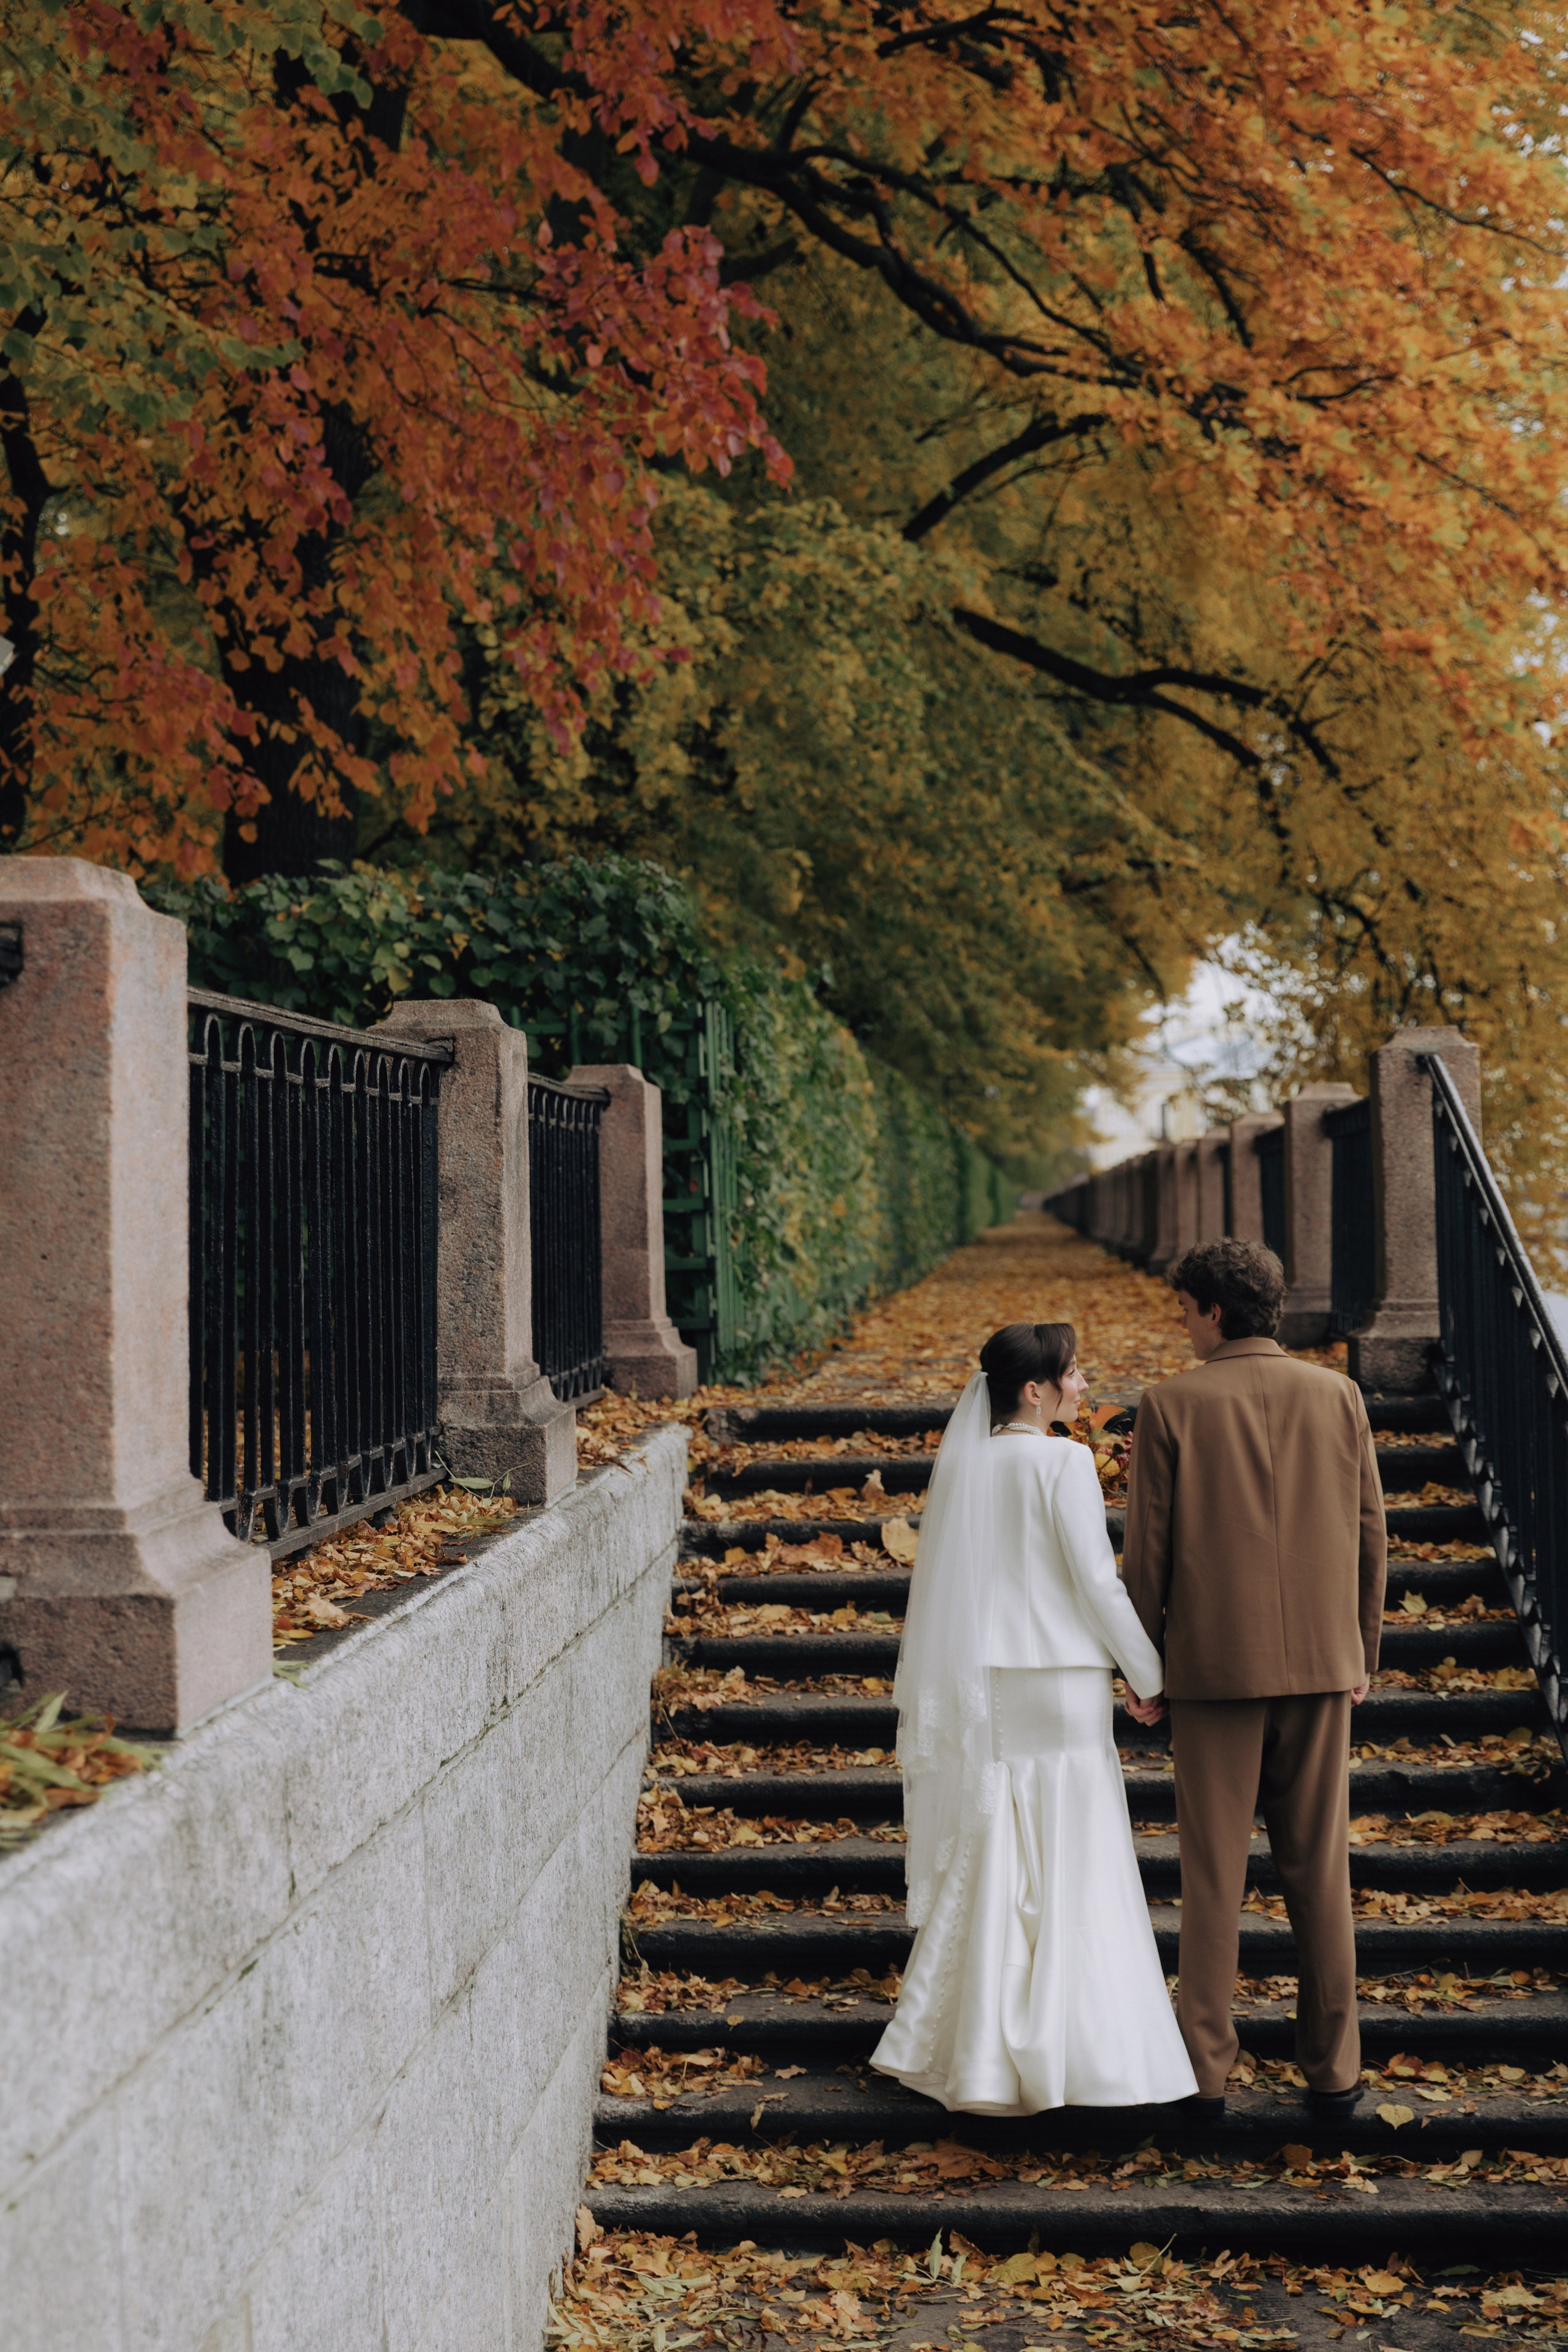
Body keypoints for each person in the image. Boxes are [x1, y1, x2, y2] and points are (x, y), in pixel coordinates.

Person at [870, 1321, 1197, 2114]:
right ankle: (1084, 2050)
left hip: (993, 1675)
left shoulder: (972, 1468)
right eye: (1075, 1375)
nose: (1084, 1389)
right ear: (1034, 1389)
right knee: (1077, 1847)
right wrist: (1150, 1673)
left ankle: (975, 2050)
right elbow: (1095, 1582)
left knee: (1004, 1846)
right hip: (1061, 1679)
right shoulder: (1064, 1462)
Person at [1120, 1239, 1387, 2122]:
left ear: (1217, 1312)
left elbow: (1149, 1554)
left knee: (1211, 1880)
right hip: (1320, 1664)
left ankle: (1206, 2075)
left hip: (1211, 1670)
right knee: (1322, 1874)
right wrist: (1361, 1652)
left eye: (1188, 1311)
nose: (1185, 1325)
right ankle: (1335, 2070)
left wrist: (1141, 1666)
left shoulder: (1170, 1405)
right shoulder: (1338, 1394)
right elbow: (1368, 1534)